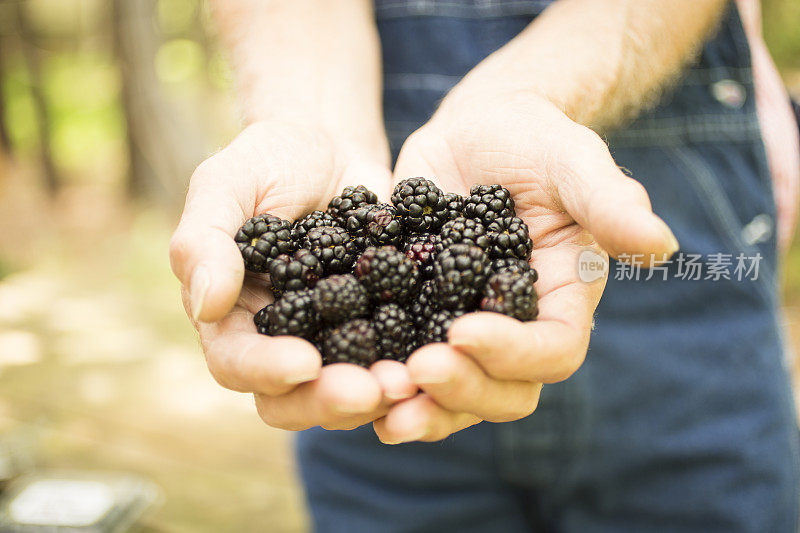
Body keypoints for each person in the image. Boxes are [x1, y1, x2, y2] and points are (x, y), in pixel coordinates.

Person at [168, 0, 800, 530]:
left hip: (682, 260)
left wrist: (533, 90)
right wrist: (302, 114)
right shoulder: (386, 261)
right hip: (379, 408)